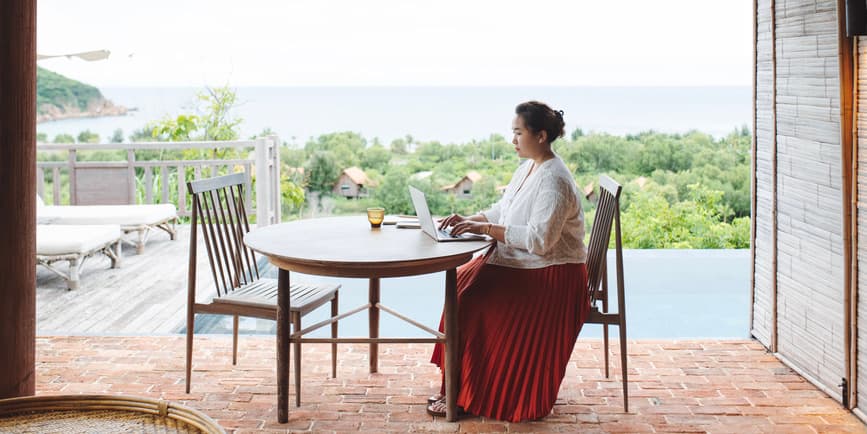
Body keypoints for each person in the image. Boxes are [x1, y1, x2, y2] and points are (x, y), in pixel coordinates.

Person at [427, 101, 589, 422]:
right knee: (458, 285)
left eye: (518, 133)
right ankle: (459, 386)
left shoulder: (553, 181)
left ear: (541, 136)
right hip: (525, 264)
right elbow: (505, 207)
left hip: (551, 277)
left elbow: (540, 241)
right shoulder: (528, 167)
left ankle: (466, 393)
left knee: (469, 301)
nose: (513, 140)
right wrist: (471, 219)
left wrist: (485, 229)